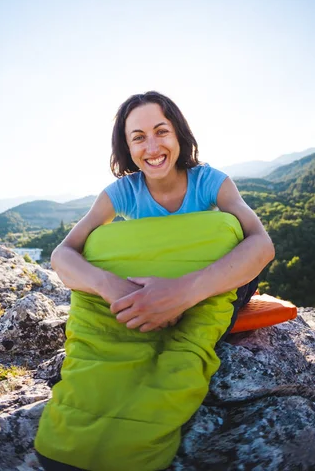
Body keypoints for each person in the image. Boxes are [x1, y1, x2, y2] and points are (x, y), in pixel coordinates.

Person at [35, 91, 275, 471]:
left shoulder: (211, 182)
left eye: (161, 131)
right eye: (138, 137)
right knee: (98, 246)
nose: (152, 146)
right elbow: (63, 255)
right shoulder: (122, 192)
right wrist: (113, 288)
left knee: (227, 230)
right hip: (141, 288)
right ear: (127, 147)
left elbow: (261, 245)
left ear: (179, 134)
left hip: (200, 287)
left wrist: (182, 293)